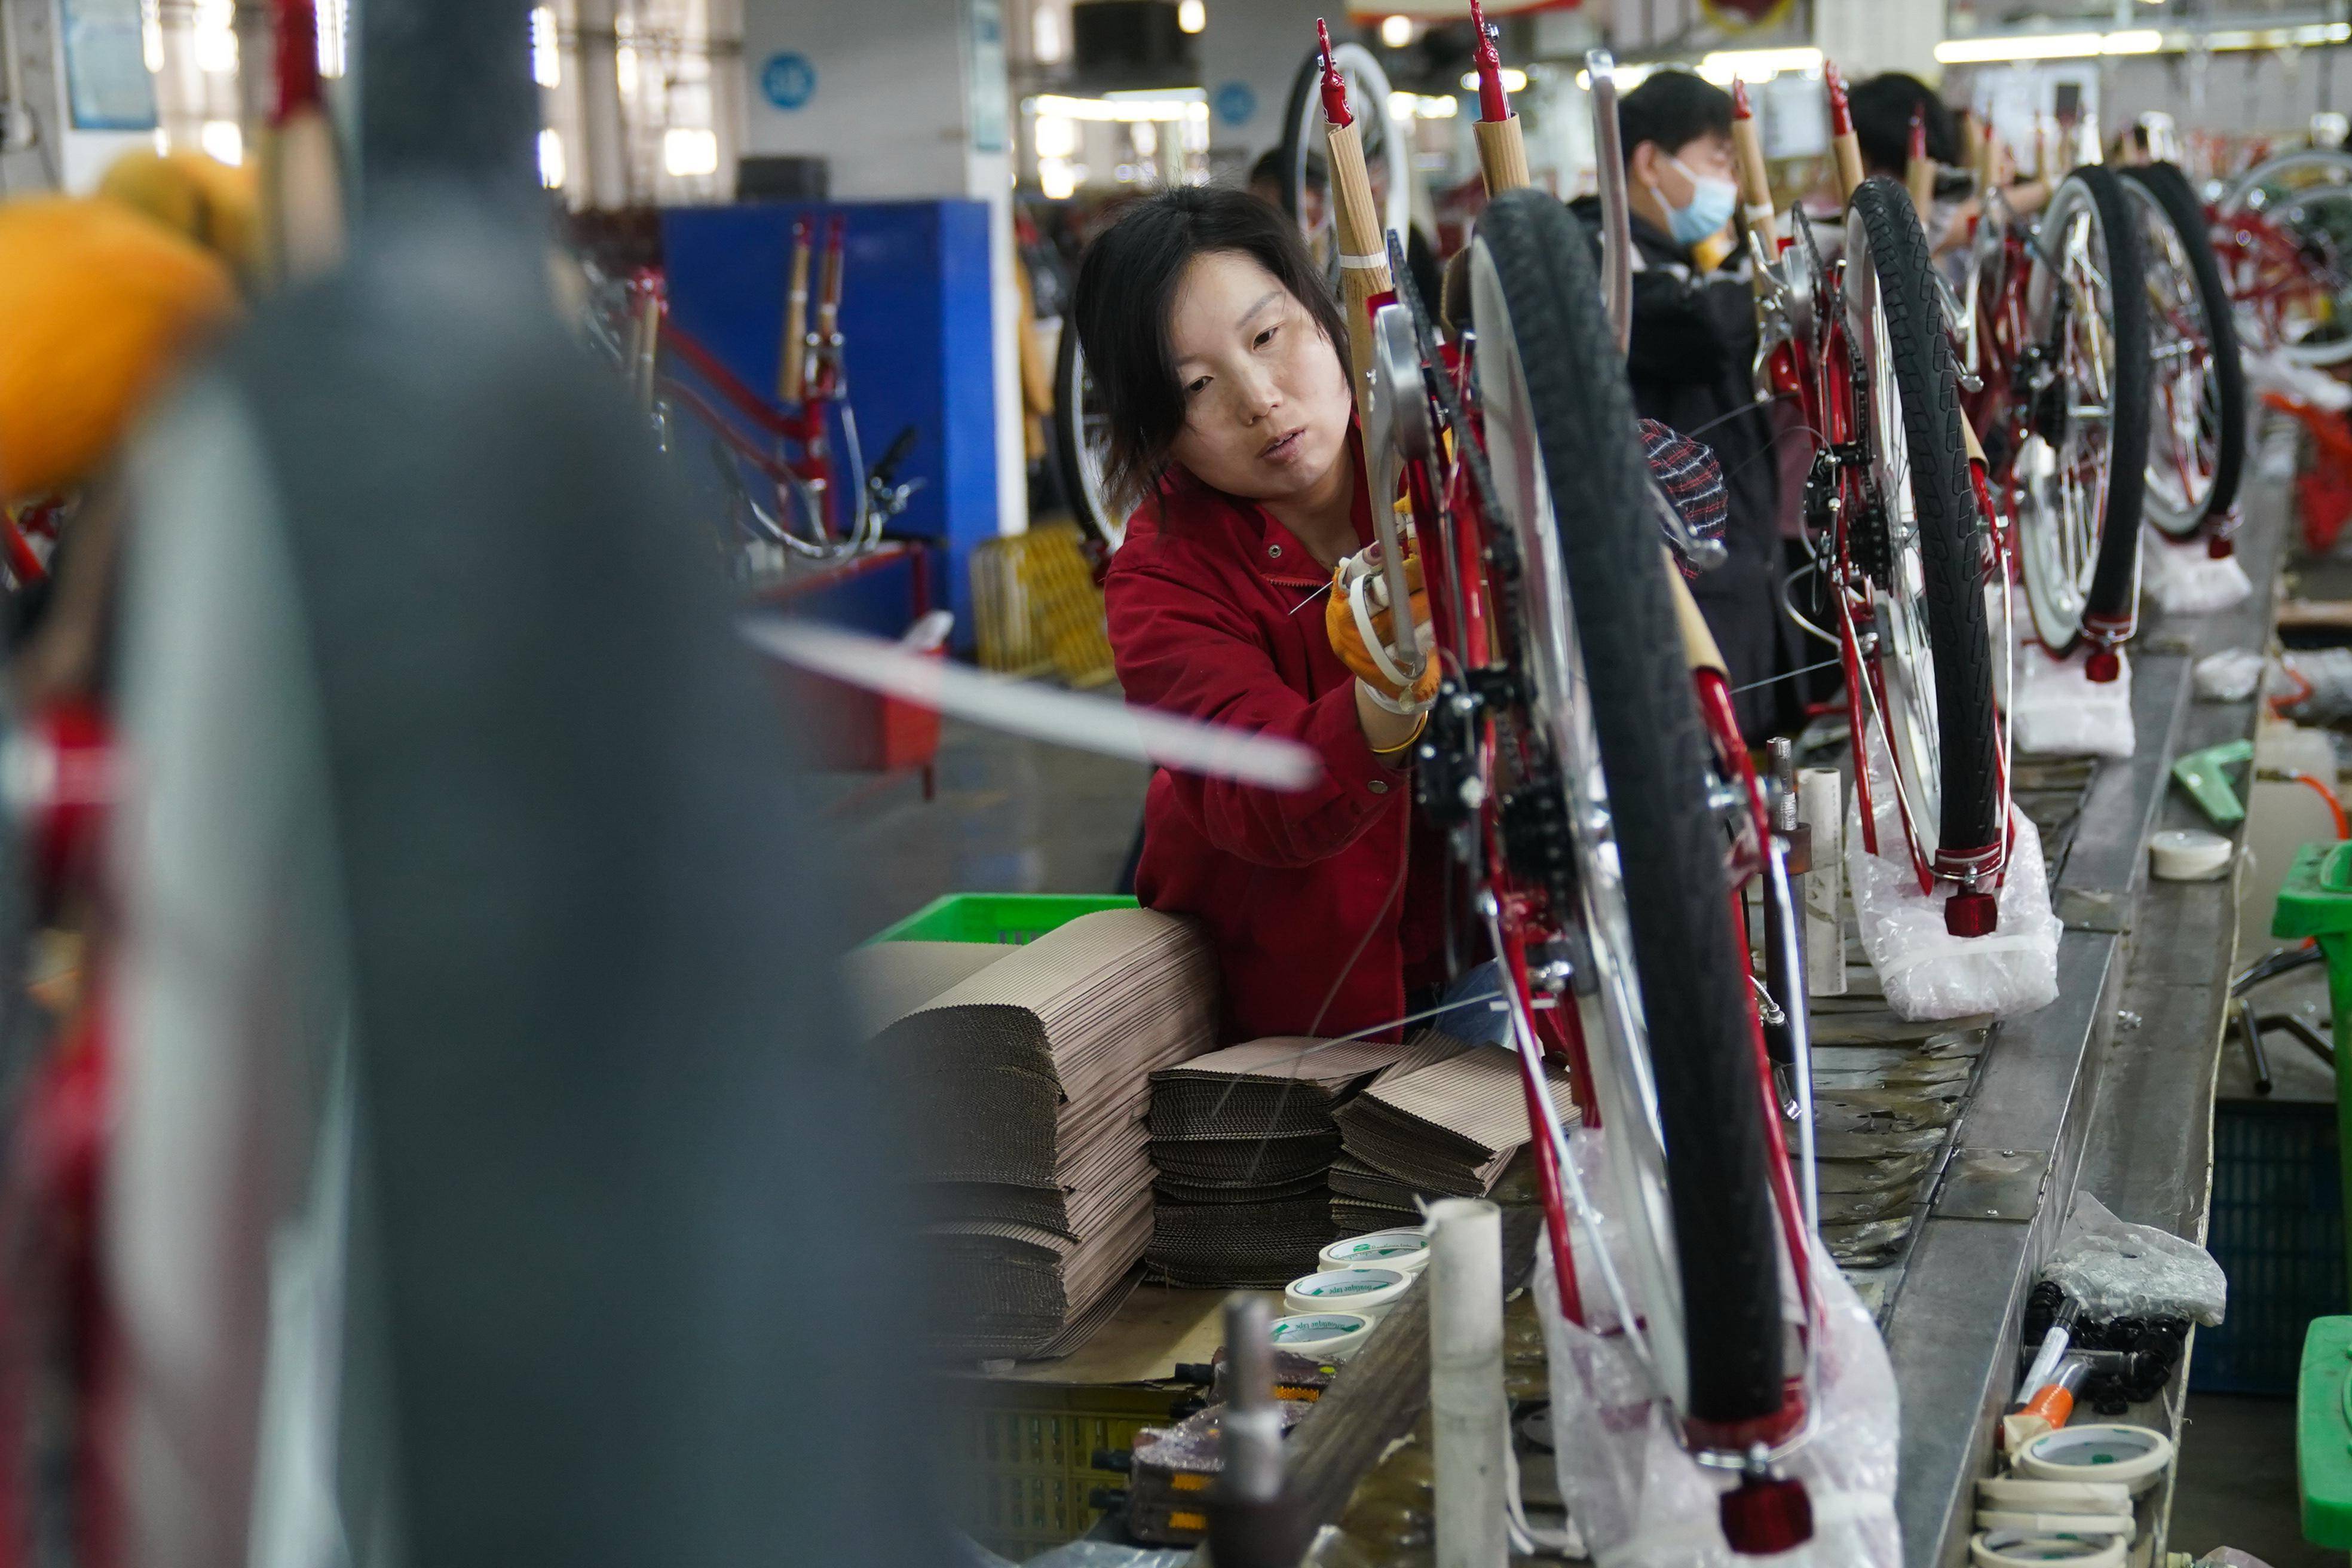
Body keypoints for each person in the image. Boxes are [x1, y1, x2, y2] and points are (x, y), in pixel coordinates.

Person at [1570, 69, 1794, 739]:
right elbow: (1698, 330)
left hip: (1734, 565)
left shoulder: (1679, 258)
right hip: (1674, 576)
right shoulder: (1597, 250)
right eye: (1719, 160)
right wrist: (1765, 275)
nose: (1729, 179)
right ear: (1648, 162)